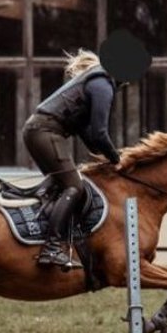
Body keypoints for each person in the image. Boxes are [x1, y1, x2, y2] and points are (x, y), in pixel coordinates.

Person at [22, 49, 122, 270]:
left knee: (64, 185)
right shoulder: (103, 84)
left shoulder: (92, 82)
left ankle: (54, 238)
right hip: (45, 133)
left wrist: (107, 156)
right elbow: (99, 133)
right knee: (74, 187)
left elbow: (87, 135)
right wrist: (118, 160)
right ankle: (51, 248)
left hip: (38, 131)